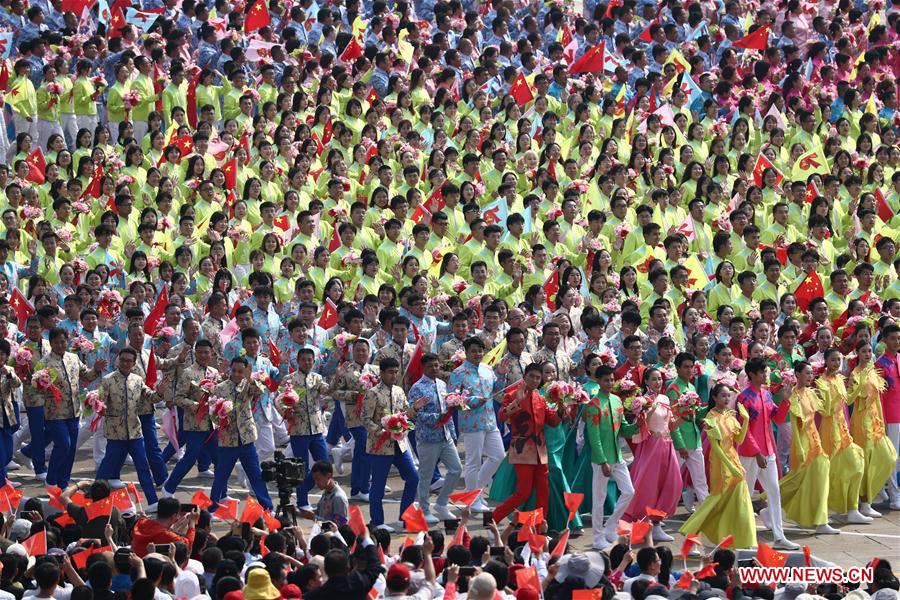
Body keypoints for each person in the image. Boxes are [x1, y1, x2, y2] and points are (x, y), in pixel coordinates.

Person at [681, 383, 756, 548]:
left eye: (729, 395)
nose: (727, 398)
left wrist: (746, 421)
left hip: (734, 461)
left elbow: (739, 440)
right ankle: (691, 535)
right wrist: (730, 467)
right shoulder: (711, 417)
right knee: (715, 500)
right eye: (723, 395)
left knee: (740, 501)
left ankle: (743, 540)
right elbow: (715, 447)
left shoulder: (730, 416)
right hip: (721, 465)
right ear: (714, 397)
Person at [735, 357, 799, 550]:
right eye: (762, 372)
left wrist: (786, 401)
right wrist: (756, 453)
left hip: (768, 450)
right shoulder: (743, 398)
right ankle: (743, 535)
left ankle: (779, 536)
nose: (765, 375)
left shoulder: (767, 394)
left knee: (774, 491)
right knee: (745, 494)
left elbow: (778, 418)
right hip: (750, 454)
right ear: (752, 375)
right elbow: (743, 429)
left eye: (766, 372)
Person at [491, 362, 561, 523]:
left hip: (540, 451)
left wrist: (563, 408)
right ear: (524, 377)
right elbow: (502, 416)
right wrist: (517, 402)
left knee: (544, 492)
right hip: (522, 451)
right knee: (523, 492)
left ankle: (539, 527)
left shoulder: (541, 398)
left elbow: (553, 421)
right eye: (532, 376)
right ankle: (493, 518)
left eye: (538, 377)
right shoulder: (513, 395)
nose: (535, 380)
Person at [203, 356, 273, 511]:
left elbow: (260, 391)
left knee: (256, 475)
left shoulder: (249, 385)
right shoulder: (220, 387)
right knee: (221, 475)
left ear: (246, 371)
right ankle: (212, 509)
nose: (236, 374)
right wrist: (220, 415)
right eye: (234, 370)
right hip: (228, 438)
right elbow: (212, 411)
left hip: (246, 437)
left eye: (240, 371)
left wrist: (250, 379)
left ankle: (268, 508)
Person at [95, 347, 161, 510]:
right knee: (106, 467)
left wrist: (160, 393)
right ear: (118, 360)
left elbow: (151, 397)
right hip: (115, 433)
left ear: (133, 363)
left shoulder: (138, 380)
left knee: (142, 466)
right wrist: (98, 405)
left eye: (129, 361)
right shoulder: (108, 380)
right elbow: (99, 401)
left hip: (134, 432)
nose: (125, 363)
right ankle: (92, 498)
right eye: (123, 360)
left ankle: (152, 501)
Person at [777, 361, 838, 534]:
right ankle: (774, 500)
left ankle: (819, 520)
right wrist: (800, 448)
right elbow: (795, 425)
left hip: (815, 440)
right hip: (802, 443)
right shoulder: (794, 395)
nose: (811, 376)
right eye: (807, 373)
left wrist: (825, 392)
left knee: (816, 479)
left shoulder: (810, 393)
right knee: (800, 479)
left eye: (812, 373)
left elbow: (826, 412)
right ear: (797, 374)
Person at [362, 357, 421, 531]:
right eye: (390, 372)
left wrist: (414, 409)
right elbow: (365, 418)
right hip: (380, 445)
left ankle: (405, 518)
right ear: (381, 372)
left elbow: (405, 414)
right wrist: (382, 431)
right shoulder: (372, 393)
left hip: (399, 444)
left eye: (396, 372)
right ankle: (377, 522)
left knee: (413, 478)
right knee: (378, 486)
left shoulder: (399, 391)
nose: (394, 375)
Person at [625, 367, 682, 542]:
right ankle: (650, 524)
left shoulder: (664, 398)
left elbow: (671, 425)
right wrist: (647, 409)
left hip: (667, 444)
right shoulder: (642, 400)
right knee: (649, 486)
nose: (658, 382)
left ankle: (657, 520)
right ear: (647, 382)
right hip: (651, 445)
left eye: (660, 379)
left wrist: (686, 414)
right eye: (654, 379)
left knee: (673, 483)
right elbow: (643, 427)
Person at [815, 347, 871, 524]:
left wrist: (860, 385)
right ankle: (825, 509)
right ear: (826, 361)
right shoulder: (821, 382)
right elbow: (826, 411)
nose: (836, 363)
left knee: (857, 464)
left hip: (842, 429)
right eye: (833, 360)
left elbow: (847, 401)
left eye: (838, 360)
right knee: (831, 472)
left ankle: (851, 508)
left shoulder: (840, 378)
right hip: (830, 431)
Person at [584, 365, 636, 548]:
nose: (609, 383)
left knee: (629, 491)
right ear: (598, 381)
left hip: (618, 455)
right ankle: (597, 536)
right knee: (599, 498)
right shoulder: (593, 405)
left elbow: (624, 428)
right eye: (606, 380)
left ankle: (610, 526)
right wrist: (602, 461)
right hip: (602, 459)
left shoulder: (617, 401)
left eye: (612, 380)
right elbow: (594, 437)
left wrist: (639, 421)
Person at [449, 337, 504, 513]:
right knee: (473, 461)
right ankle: (473, 499)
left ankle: (474, 492)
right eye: (473, 351)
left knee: (498, 456)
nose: (477, 354)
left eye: (480, 350)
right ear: (466, 352)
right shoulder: (459, 373)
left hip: (489, 419)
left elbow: (497, 389)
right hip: (471, 422)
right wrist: (472, 401)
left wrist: (501, 374)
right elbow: (452, 397)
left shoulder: (488, 369)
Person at [408, 353, 462, 522]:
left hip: (445, 436)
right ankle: (424, 510)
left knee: (456, 469)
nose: (434, 369)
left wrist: (452, 433)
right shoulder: (417, 388)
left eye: (437, 365)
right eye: (430, 366)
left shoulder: (442, 385)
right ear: (423, 368)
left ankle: (441, 503)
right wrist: (436, 418)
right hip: (427, 438)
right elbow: (414, 414)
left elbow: (449, 411)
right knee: (425, 475)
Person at [848, 339, 899, 518]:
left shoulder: (873, 371)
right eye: (864, 351)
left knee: (889, 455)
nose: (868, 354)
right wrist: (860, 382)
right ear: (857, 354)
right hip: (862, 422)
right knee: (867, 462)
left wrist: (882, 421)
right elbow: (853, 398)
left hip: (876, 421)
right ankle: (865, 502)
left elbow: (878, 399)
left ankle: (872, 493)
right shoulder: (855, 373)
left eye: (869, 351)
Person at [131, 497, 198, 557]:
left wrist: (172, 528)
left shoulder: (140, 522)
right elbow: (188, 546)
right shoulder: (166, 535)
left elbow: (151, 524)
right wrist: (192, 522)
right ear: (173, 516)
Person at [301, 460, 350, 525]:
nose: (316, 483)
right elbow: (321, 511)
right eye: (314, 479)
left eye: (318, 479)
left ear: (329, 476)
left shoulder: (338, 498)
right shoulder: (327, 492)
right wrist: (301, 512)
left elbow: (340, 524)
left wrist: (314, 517)